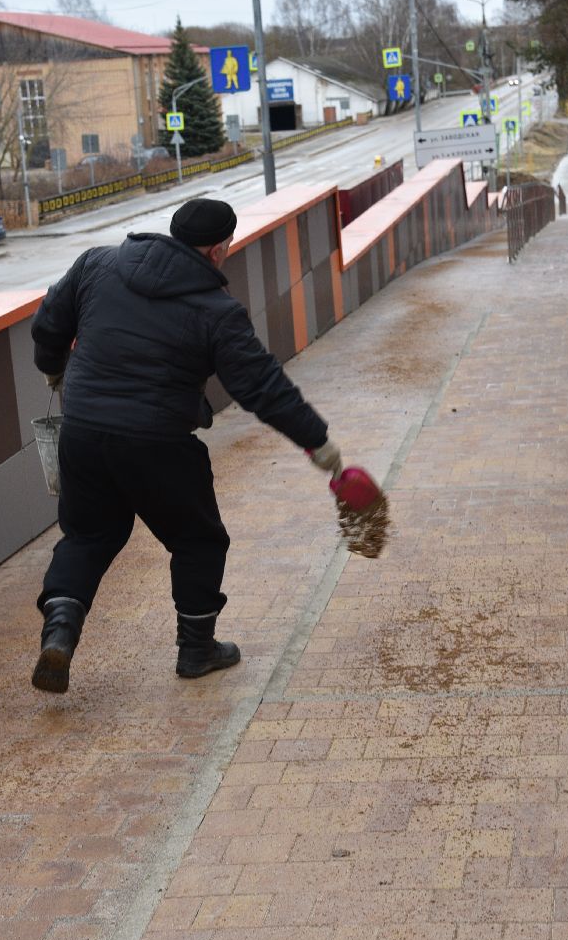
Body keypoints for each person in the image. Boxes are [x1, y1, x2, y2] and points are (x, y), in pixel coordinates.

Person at [29, 198, 341, 693]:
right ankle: (196, 650)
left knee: (87, 536)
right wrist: (320, 446)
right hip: (157, 444)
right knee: (198, 539)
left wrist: (52, 367)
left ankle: (60, 632)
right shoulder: (217, 310)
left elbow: (49, 323)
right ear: (219, 250)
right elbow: (261, 387)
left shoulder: (97, 264)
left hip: (83, 431)